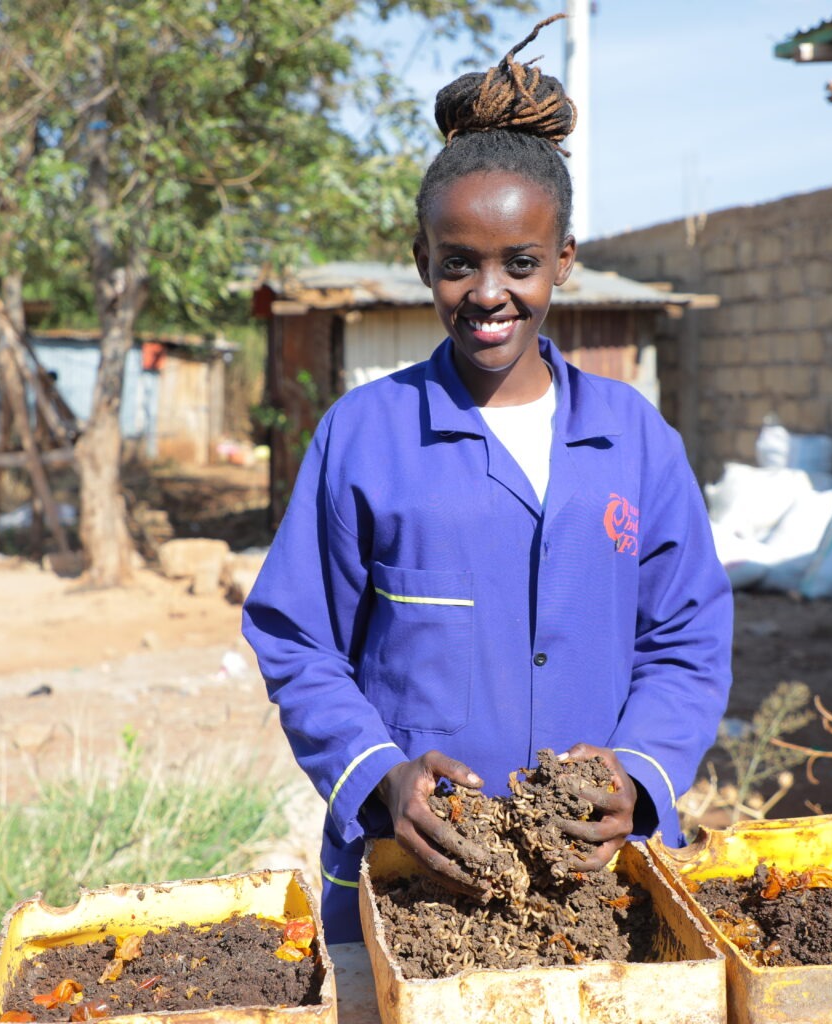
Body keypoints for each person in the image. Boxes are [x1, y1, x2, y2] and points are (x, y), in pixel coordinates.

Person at [241, 15, 732, 944]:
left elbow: (687, 640)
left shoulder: (637, 441)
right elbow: (297, 638)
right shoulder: (366, 437)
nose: (489, 292)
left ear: (564, 262)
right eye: (459, 263)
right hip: (412, 885)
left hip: (594, 886)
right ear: (423, 260)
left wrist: (640, 772)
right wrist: (381, 773)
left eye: (522, 263)